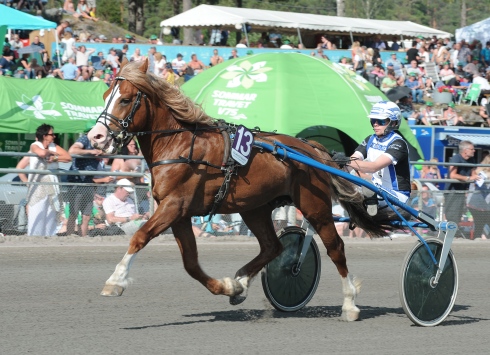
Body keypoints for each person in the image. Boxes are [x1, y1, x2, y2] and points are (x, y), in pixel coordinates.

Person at [346, 101, 411, 216]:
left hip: (397, 197)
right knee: (345, 178)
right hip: (375, 189)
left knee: (365, 187)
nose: (375, 124)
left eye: (380, 121)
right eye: (373, 121)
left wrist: (346, 161)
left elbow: (374, 167)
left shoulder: (398, 143)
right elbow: (354, 159)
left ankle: (370, 200)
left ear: (394, 122)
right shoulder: (370, 139)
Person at [25, 124, 72, 236]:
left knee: (51, 212)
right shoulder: (35, 145)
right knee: (37, 211)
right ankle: (34, 236)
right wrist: (50, 153)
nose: (54, 136)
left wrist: (55, 157)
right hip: (38, 185)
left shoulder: (53, 146)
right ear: (45, 136)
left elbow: (68, 157)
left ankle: (49, 236)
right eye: (52, 134)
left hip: (52, 184)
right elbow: (41, 153)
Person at [60, 123, 103, 237]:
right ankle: (69, 236)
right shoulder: (84, 139)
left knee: (86, 215)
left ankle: (83, 238)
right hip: (77, 182)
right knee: (73, 213)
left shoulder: (96, 143)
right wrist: (90, 152)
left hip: (88, 182)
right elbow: (72, 150)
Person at [444, 140, 479, 236]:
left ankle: (454, 234)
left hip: (462, 192)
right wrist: (468, 178)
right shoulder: (456, 159)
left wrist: (479, 177)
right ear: (465, 150)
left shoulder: (471, 160)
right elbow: (452, 175)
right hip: (452, 192)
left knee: (459, 214)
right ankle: (450, 234)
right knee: (452, 215)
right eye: (472, 149)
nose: (474, 151)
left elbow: (473, 174)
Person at [466, 155, 490, 239]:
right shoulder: (481, 173)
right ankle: (476, 240)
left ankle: (477, 239)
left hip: (483, 205)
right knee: (480, 224)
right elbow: (478, 183)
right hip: (477, 204)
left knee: (481, 224)